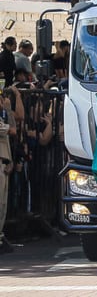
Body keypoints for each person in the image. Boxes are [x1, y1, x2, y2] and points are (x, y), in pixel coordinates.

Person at [0, 90, 17, 254]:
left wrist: (10, 160)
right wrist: (9, 109)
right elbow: (12, 130)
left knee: (3, 205)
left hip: (3, 161)